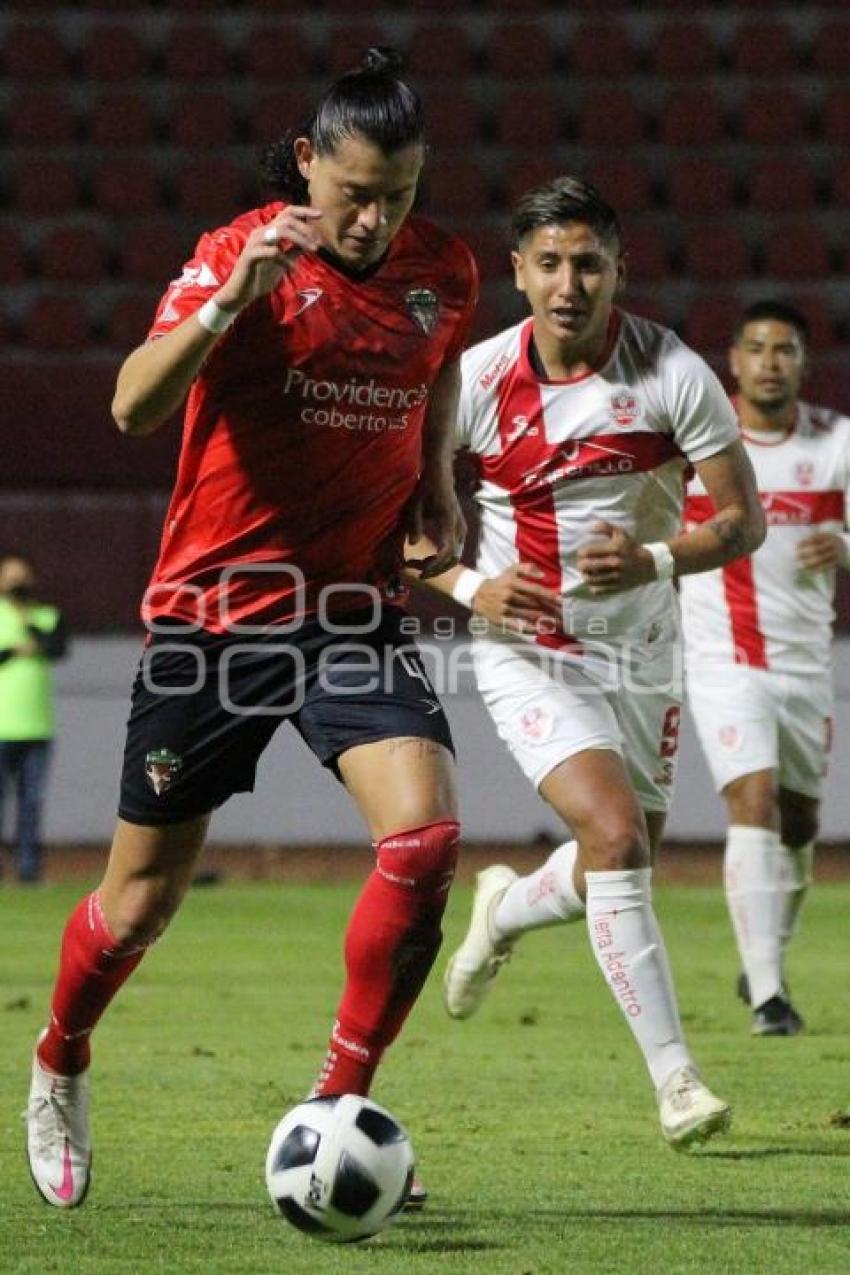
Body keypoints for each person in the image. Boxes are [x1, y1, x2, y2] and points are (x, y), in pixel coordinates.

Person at [24, 48, 477, 1210]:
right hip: (212, 619)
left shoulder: (446, 272)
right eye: (357, 190)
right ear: (307, 163)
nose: (377, 219)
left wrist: (436, 481)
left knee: (423, 846)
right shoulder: (242, 254)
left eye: (402, 193)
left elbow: (435, 378)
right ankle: (60, 1057)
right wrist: (233, 301)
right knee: (139, 905)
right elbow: (132, 405)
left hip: (350, 611)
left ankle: (339, 1107)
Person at [415, 177, 765, 1148]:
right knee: (616, 839)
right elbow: (398, 525)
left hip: (645, 649)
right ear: (519, 273)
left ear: (617, 268)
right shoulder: (477, 380)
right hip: (527, 650)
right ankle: (677, 1082)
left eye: (589, 263)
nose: (571, 283)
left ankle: (505, 907)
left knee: (624, 849)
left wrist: (654, 557)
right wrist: (466, 588)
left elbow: (744, 522)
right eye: (551, 264)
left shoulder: (669, 371)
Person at [680, 300, 850, 1036]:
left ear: (804, 363)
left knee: (802, 819)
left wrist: (844, 545)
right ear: (735, 360)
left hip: (806, 664)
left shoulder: (837, 442)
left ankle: (765, 957)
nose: (771, 361)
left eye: (786, 349)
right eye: (757, 348)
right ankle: (770, 995)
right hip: (723, 661)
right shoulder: (700, 447)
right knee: (753, 800)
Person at [0, 554, 68, 883]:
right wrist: (15, 650)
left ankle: (29, 869)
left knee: (31, 803)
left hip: (38, 726)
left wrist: (27, 624)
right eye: (11, 578)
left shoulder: (46, 616)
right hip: (2, 726)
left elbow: (57, 648)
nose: (17, 585)